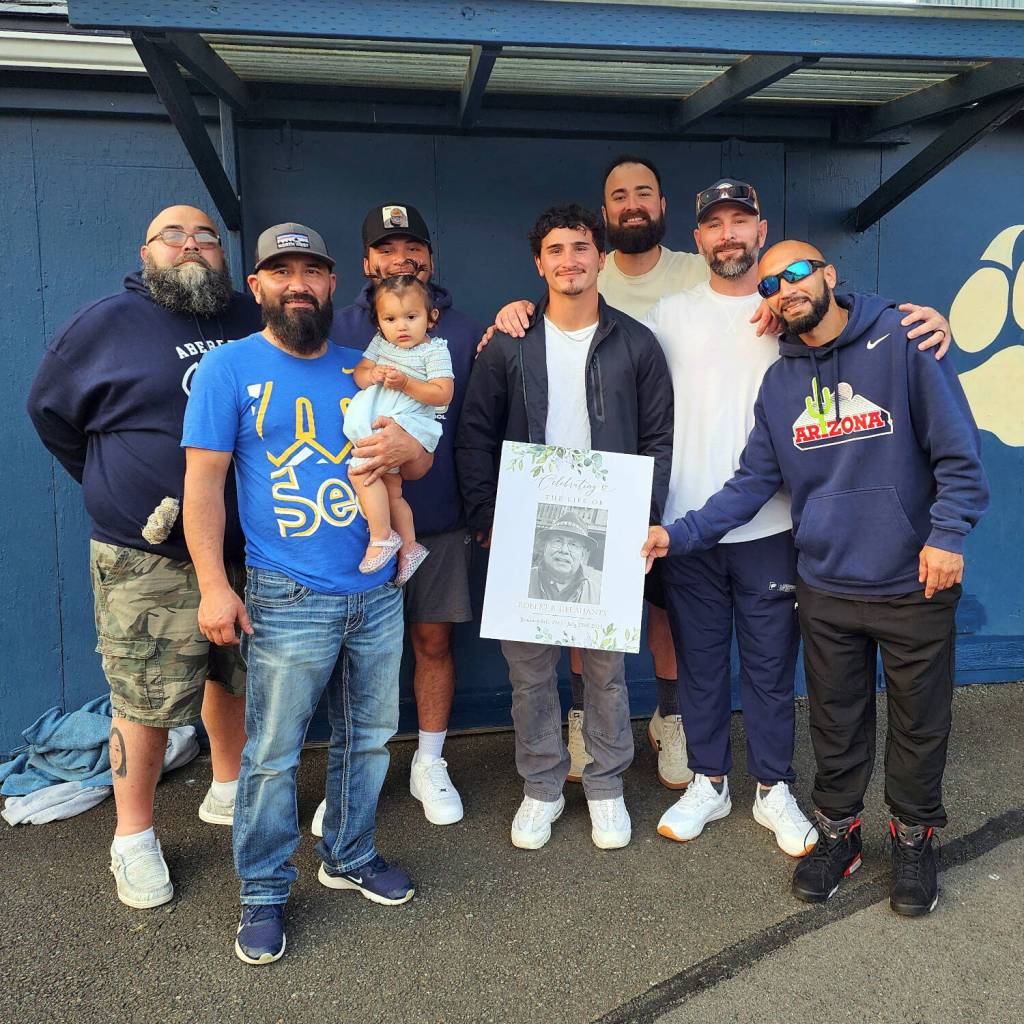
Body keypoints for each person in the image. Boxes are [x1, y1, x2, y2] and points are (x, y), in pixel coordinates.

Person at [643, 239, 988, 917]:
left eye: (798, 272)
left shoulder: (902, 340)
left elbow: (958, 452)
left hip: (913, 579)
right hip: (827, 581)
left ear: (830, 274)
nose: (785, 287)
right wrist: (677, 535)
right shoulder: (780, 382)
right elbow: (751, 485)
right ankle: (839, 834)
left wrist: (947, 535)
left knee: (920, 725)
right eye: (772, 283)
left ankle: (914, 841)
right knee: (836, 721)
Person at [182, 222, 430, 965]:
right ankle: (262, 891)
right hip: (288, 594)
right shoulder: (228, 369)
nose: (298, 283)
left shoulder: (368, 365)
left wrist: (407, 448)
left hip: (377, 590)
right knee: (271, 755)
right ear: (255, 286)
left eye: (312, 271)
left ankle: (349, 855)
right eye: (281, 271)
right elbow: (202, 486)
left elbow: (413, 466)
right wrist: (214, 587)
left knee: (369, 737)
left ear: (332, 284)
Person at [26, 205, 261, 911]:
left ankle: (228, 787)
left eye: (205, 237)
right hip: (146, 555)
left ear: (222, 255)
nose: (190, 246)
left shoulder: (251, 318)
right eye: (173, 235)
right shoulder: (104, 325)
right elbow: (51, 415)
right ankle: (133, 838)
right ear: (145, 251)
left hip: (244, 545)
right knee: (145, 699)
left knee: (234, 675)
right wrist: (112, 481)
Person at [456, 203, 673, 851]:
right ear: (539, 263)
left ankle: (606, 786)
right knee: (530, 672)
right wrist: (486, 515)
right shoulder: (510, 343)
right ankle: (543, 787)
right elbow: (474, 433)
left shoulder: (635, 342)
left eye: (581, 248)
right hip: (526, 519)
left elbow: (660, 439)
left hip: (610, 521)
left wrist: (646, 515)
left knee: (604, 670)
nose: (569, 261)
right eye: (556, 250)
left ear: (601, 258)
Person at [327, 202, 481, 829]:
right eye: (387, 249)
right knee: (348, 650)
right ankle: (352, 774)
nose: (401, 258)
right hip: (350, 520)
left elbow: (478, 421)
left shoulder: (465, 329)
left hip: (438, 515)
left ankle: (430, 760)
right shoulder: (334, 328)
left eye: (412, 245)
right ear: (367, 262)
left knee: (432, 640)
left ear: (430, 257)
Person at [344, 274, 455, 583]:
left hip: (408, 421)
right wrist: (372, 375)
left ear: (431, 318)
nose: (401, 327)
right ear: (379, 324)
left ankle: (381, 536)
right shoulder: (381, 343)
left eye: (411, 316)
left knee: (361, 471)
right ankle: (408, 546)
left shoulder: (433, 351)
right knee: (392, 491)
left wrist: (406, 382)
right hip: (385, 417)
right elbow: (360, 373)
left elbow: (443, 393)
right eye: (390, 319)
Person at [528, 514, 603, 603]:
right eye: (558, 541)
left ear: (582, 555)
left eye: (573, 545)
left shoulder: (597, 595)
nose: (564, 550)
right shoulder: (525, 580)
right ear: (545, 548)